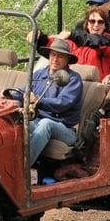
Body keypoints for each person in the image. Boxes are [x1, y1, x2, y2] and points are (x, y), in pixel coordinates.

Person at [14, 39, 83, 167]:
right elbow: (25, 90)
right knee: (17, 121)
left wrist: (38, 101)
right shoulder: (40, 74)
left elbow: (62, 103)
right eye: (53, 55)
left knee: (46, 124)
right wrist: (10, 94)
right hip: (37, 121)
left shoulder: (73, 79)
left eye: (60, 56)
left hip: (65, 129)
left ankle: (21, 170)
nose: (55, 59)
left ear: (67, 59)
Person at [33, 8, 110, 81]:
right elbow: (52, 45)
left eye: (100, 22)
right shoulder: (75, 42)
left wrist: (72, 35)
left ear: (104, 26)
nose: (96, 24)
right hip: (72, 82)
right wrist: (39, 38)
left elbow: (94, 40)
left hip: (100, 85)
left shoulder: (108, 40)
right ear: (87, 24)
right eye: (92, 21)